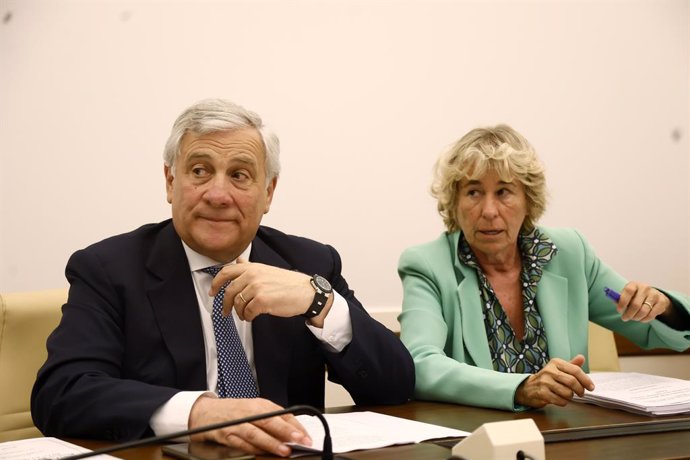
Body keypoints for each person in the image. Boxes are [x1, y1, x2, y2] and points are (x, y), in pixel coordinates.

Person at [31, 98, 415, 457]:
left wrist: (320, 303)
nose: (218, 194)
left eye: (240, 175)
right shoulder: (109, 269)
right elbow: (62, 393)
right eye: (200, 171)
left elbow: (396, 387)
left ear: (268, 193)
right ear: (170, 181)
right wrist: (198, 412)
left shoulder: (308, 263)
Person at [398, 124, 690, 412]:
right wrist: (520, 388)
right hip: (479, 442)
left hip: (569, 435)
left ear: (528, 200)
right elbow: (420, 365)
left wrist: (662, 306)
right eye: (473, 192)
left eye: (503, 192)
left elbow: (652, 331)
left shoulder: (569, 253)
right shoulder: (427, 265)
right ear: (454, 202)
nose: (488, 211)